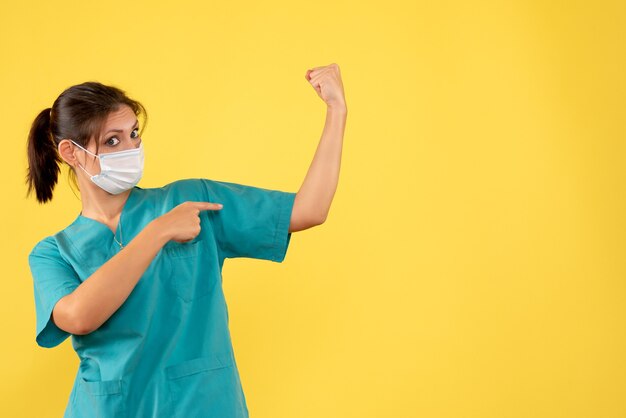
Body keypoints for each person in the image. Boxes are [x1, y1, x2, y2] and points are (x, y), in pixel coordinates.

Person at [25, 64, 347, 418]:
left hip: (199, 405)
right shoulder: (54, 252)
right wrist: (157, 232)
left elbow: (309, 209)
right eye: (113, 140)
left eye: (134, 134)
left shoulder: (191, 201)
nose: (131, 147)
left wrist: (337, 111)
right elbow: (78, 317)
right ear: (71, 153)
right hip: (108, 409)